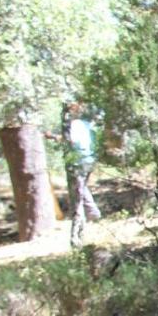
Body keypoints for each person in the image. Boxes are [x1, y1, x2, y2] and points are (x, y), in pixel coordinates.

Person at [59, 102, 102, 245]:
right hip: (89, 160)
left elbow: (71, 141)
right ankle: (93, 212)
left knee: (77, 195)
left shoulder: (74, 125)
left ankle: (77, 233)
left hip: (78, 162)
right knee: (82, 188)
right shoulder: (87, 124)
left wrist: (55, 138)